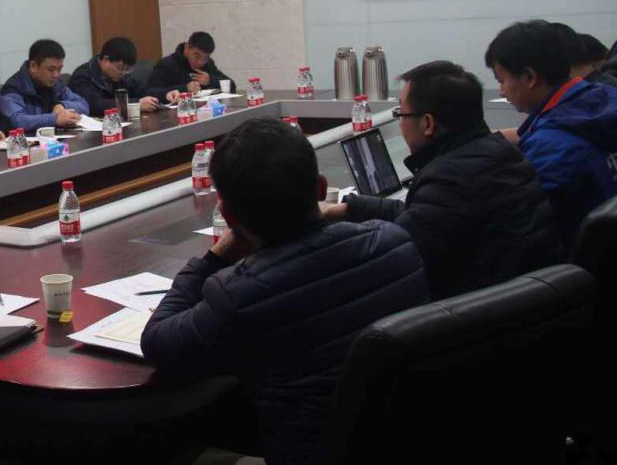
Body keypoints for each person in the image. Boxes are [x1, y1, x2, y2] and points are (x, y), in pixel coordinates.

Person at [141, 119, 428, 465]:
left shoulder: (240, 295)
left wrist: (214, 257)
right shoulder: (395, 243)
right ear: (321, 188)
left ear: (227, 216)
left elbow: (157, 342)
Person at [325, 61, 561, 299]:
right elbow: (421, 216)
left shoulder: (451, 179)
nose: (401, 123)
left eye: (401, 114)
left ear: (428, 124)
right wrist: (350, 208)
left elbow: (395, 257)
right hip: (520, 300)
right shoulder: (496, 152)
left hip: (478, 311)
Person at [486, 19, 617, 245]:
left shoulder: (550, 148)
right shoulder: (607, 98)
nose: (502, 91)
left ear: (529, 77)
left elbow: (523, 229)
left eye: (502, 80)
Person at [0, 39, 89, 132]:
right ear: (33, 66)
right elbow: (15, 121)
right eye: (51, 69)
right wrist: (54, 119)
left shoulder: (56, 84)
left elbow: (83, 104)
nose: (56, 75)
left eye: (59, 69)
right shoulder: (13, 88)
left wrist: (62, 105)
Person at [68, 37, 161, 117]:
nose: (123, 73)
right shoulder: (82, 75)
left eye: (127, 69)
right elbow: (94, 105)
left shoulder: (122, 75)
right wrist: (135, 104)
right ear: (105, 60)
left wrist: (163, 95)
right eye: (120, 68)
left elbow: (140, 92)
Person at [147, 31, 236, 101]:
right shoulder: (167, 64)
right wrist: (185, 88)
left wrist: (210, 80)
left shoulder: (208, 64)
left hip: (203, 109)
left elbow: (231, 85)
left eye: (205, 58)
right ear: (187, 48)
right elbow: (151, 92)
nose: (200, 62)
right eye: (196, 56)